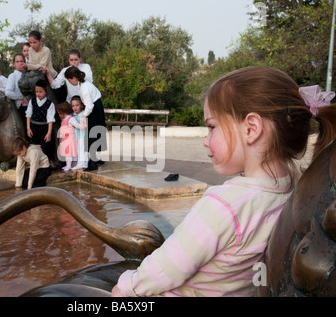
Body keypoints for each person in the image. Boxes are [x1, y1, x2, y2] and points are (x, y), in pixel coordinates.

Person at [111, 66, 336, 297]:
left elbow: (166, 268)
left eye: (212, 127)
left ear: (251, 128)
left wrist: (127, 286)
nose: (205, 141)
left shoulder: (224, 206)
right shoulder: (295, 189)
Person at [64, 66, 107, 172]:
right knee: (95, 132)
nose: (69, 83)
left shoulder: (84, 87)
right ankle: (95, 158)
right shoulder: (82, 84)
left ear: (74, 78)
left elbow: (89, 106)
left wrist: (83, 117)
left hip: (95, 109)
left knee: (92, 133)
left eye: (69, 80)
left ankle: (92, 163)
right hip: (96, 107)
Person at [26, 79, 57, 165]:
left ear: (46, 91)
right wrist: (28, 128)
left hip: (44, 128)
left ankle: (47, 163)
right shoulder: (32, 101)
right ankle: (34, 162)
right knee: (34, 145)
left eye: (40, 92)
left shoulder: (50, 104)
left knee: (45, 146)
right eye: (36, 91)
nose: (38, 94)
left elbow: (50, 119)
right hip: (33, 127)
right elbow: (28, 115)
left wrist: (49, 133)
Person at [5, 54, 29, 126]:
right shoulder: (12, 76)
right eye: (17, 61)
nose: (20, 63)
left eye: (22, 61)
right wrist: (21, 97)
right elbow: (8, 92)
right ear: (14, 64)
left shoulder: (29, 74)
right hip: (21, 107)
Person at [56, 102, 78, 172]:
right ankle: (68, 164)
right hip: (65, 139)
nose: (59, 115)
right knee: (66, 153)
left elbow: (77, 125)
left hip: (69, 139)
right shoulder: (64, 119)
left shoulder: (70, 119)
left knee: (69, 153)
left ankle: (69, 165)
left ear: (64, 112)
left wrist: (82, 126)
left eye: (60, 113)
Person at [70, 96, 88, 170]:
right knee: (78, 150)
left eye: (77, 105)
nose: (75, 108)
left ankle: (83, 164)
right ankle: (80, 163)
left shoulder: (83, 114)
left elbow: (85, 126)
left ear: (81, 105)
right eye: (73, 106)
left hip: (83, 136)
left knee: (83, 150)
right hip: (77, 136)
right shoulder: (73, 115)